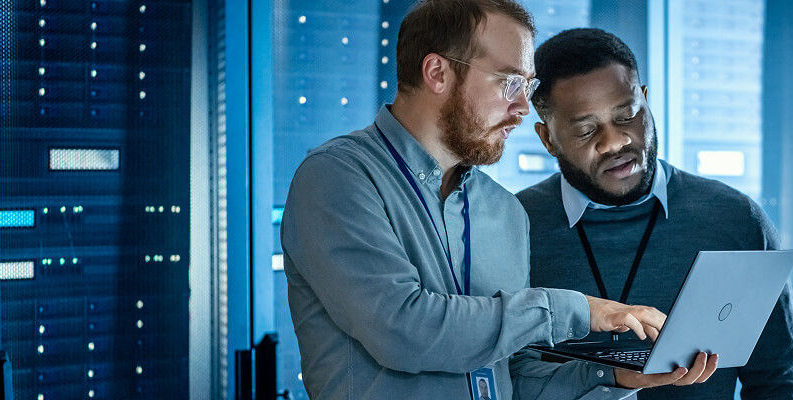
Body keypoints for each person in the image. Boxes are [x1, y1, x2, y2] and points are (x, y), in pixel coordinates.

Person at [280, 2, 714, 399]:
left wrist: (612, 377)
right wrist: (578, 310)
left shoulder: (505, 211)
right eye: (510, 82)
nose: (524, 107)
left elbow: (510, 376)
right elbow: (403, 330)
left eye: (528, 85)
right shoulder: (337, 177)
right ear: (437, 73)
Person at [515, 28, 793, 399]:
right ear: (547, 139)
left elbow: (775, 381)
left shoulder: (735, 219)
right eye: (587, 130)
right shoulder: (513, 225)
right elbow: (498, 374)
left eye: (627, 115)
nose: (616, 142)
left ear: (646, 101)